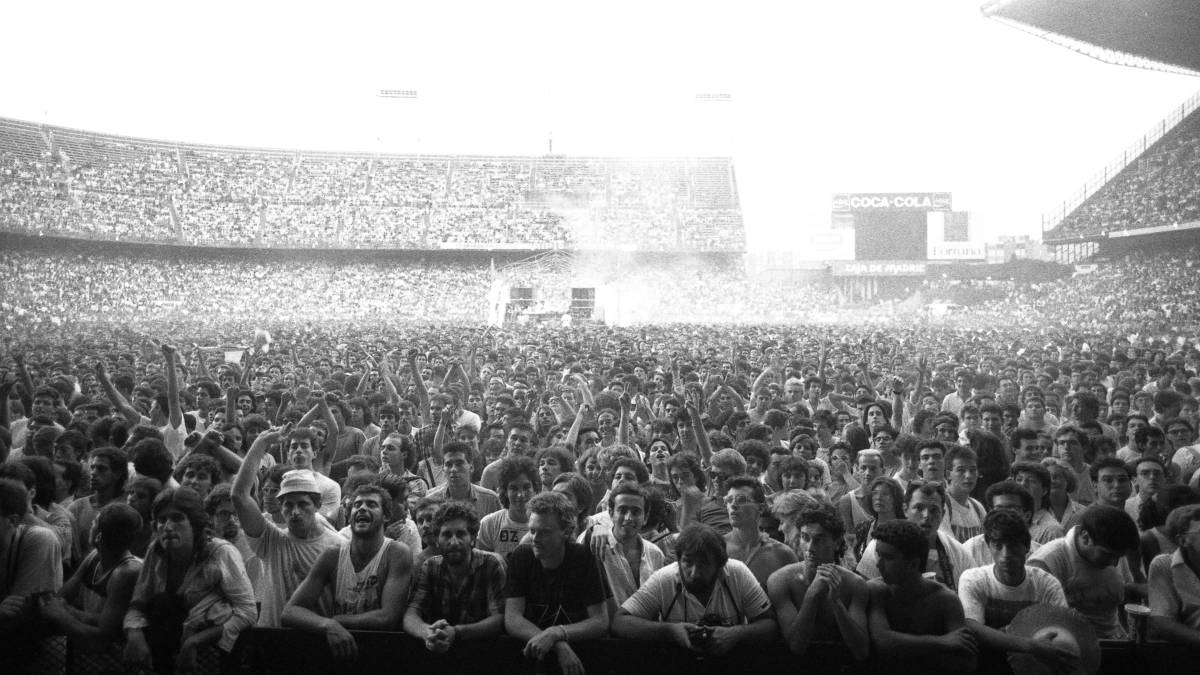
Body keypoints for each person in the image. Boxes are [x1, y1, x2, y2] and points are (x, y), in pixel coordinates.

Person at [123, 487, 256, 674]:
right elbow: (139, 601)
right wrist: (134, 633)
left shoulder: (221, 553)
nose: (168, 527)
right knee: (162, 604)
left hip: (216, 646)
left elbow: (248, 611)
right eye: (162, 520)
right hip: (170, 640)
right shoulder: (157, 551)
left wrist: (195, 641)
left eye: (177, 518)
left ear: (194, 525)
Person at [282, 484, 413, 661]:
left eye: (371, 504)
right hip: (340, 649)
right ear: (349, 515)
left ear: (386, 516)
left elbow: (387, 617)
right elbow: (290, 611)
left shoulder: (397, 553)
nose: (362, 508)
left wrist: (337, 620)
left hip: (382, 652)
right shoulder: (333, 554)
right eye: (357, 505)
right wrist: (327, 624)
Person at [232, 426, 343, 627]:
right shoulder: (273, 541)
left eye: (302, 504)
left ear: (317, 505)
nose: (295, 512)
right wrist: (261, 443)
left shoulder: (338, 545)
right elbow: (239, 496)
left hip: (319, 641)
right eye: (288, 505)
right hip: (273, 639)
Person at [612, 523, 777, 656]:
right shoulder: (665, 578)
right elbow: (620, 621)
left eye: (704, 563)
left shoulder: (737, 573)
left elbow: (769, 625)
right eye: (688, 562)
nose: (694, 572)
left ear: (720, 566)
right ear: (678, 560)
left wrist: (735, 634)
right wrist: (670, 630)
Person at [504, 491, 607, 675]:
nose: (535, 538)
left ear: (566, 532)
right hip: (535, 659)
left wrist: (556, 633)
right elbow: (512, 618)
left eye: (544, 532)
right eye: (532, 530)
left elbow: (600, 620)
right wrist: (556, 643)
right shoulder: (522, 557)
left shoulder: (582, 558)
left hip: (579, 660)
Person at [956, 510, 1075, 670]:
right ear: (988, 546)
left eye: (1013, 546)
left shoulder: (1046, 584)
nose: (1006, 554)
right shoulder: (974, 579)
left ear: (1027, 546)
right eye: (998, 546)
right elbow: (973, 629)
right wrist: (1030, 645)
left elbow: (1059, 632)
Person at [38, 502, 143, 671]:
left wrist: (63, 615)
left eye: (94, 522)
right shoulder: (95, 556)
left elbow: (98, 640)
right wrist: (69, 612)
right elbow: (58, 600)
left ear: (99, 536)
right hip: (87, 663)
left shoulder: (126, 572)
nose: (90, 526)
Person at [866, 519, 977, 674]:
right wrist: (941, 642)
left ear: (913, 564)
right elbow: (882, 640)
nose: (879, 564)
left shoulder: (946, 600)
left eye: (888, 557)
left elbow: (965, 660)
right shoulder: (876, 590)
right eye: (879, 555)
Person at [767, 504, 870, 660]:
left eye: (819, 540)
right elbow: (796, 647)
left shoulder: (855, 584)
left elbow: (862, 651)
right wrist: (811, 596)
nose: (810, 547)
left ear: (836, 543)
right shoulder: (780, 580)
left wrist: (836, 603)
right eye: (805, 538)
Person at [403, 501, 506, 652]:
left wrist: (456, 632)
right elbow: (411, 615)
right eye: (446, 535)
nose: (453, 541)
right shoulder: (430, 567)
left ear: (472, 538)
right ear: (437, 540)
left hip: (483, 652)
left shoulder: (492, 564)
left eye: (460, 534)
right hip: (438, 651)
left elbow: (499, 619)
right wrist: (427, 633)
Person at [1028, 504, 1140, 639]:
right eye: (1108, 555)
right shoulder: (1047, 562)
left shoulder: (1113, 553)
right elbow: (1037, 622)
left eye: (1119, 557)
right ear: (1085, 538)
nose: (1114, 563)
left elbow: (1119, 606)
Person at [857, 482, 974, 591]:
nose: (926, 516)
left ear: (943, 514)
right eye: (919, 508)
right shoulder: (881, 545)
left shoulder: (959, 553)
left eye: (934, 510)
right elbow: (865, 593)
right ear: (905, 510)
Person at [592, 484, 666, 606]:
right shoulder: (596, 545)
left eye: (636, 512)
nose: (629, 517)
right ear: (611, 513)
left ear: (645, 517)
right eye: (622, 510)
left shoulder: (655, 554)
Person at [723, 477, 797, 587]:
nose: (733, 505)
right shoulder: (716, 548)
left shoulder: (782, 554)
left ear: (761, 508)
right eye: (729, 500)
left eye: (742, 500)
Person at [69, 446, 129, 559]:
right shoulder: (77, 507)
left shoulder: (126, 508)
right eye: (92, 467)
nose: (93, 473)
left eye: (101, 469)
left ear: (117, 473)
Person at [476, 455, 537, 558]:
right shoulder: (489, 523)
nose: (521, 495)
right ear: (504, 492)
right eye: (514, 488)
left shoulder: (543, 524)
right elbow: (483, 564)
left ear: (535, 488)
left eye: (526, 487)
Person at [426, 441, 501, 517]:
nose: (453, 469)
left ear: (471, 467)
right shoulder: (430, 501)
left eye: (459, 464)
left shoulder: (489, 499)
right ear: (443, 469)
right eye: (449, 465)